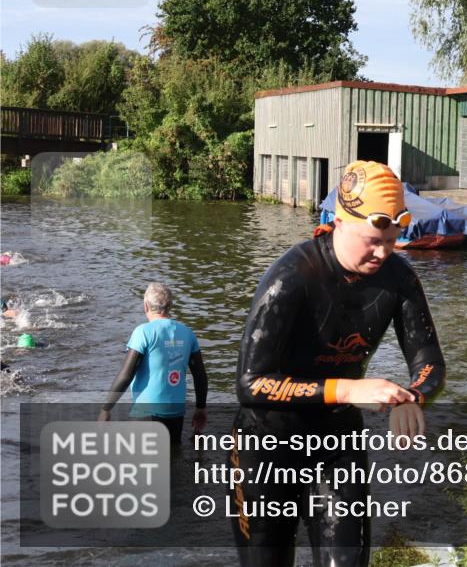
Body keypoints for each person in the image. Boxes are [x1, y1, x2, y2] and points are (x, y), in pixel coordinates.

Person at [231, 160, 446, 567]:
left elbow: (430, 359)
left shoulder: (399, 278)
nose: (383, 252)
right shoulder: (291, 276)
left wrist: (412, 396)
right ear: (340, 223)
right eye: (372, 239)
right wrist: (347, 389)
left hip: (336, 443)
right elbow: (249, 383)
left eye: (392, 239)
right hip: (265, 444)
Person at [99, 282, 208, 443]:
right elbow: (200, 375)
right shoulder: (188, 333)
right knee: (171, 460)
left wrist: (106, 409)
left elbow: (126, 375)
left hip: (146, 412)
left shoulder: (143, 332)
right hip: (176, 412)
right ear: (169, 306)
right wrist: (201, 408)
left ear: (146, 306)